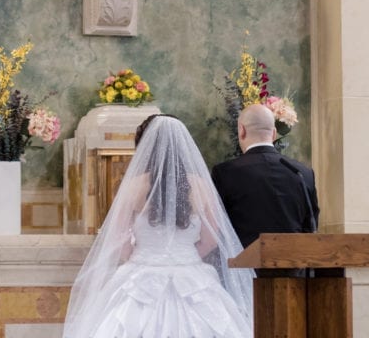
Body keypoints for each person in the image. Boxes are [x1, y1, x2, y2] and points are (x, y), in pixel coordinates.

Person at [62, 114, 253, 338]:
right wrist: (184, 255)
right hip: (191, 274)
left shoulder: (133, 186)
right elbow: (211, 238)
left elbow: (117, 238)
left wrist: (142, 256)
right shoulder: (201, 186)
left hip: (141, 273)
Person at [211, 103, 319, 251]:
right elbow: (311, 228)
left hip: (244, 269)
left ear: (241, 130)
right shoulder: (303, 173)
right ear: (274, 133)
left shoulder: (225, 172)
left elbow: (218, 229)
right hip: (295, 269)